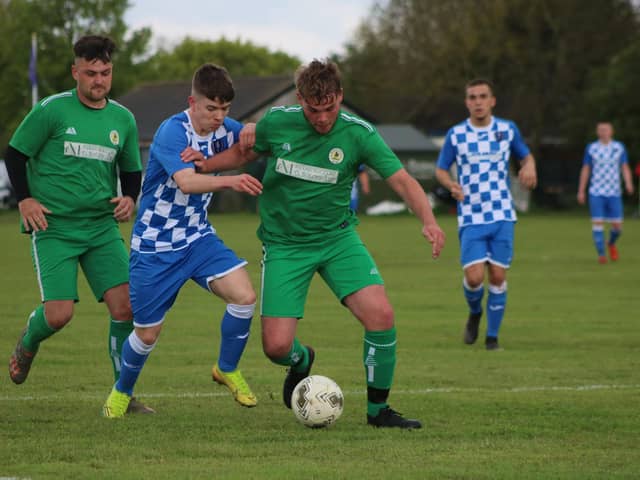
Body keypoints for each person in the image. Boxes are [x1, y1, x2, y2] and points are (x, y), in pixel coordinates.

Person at [191, 59, 445, 429]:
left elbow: (403, 180)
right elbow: (245, 153)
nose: (323, 118)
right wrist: (203, 167)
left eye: (330, 109)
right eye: (314, 110)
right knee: (276, 347)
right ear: (300, 100)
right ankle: (301, 360)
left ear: (340, 97)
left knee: (381, 315)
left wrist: (429, 221)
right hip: (285, 245)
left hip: (337, 239)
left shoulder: (359, 134)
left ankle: (379, 412)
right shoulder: (279, 122)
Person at [102, 64, 263, 418]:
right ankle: (122, 392)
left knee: (245, 297)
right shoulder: (172, 132)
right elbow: (187, 183)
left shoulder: (225, 128)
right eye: (211, 109)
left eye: (225, 110)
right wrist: (231, 180)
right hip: (156, 246)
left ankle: (227, 368)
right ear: (193, 102)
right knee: (146, 335)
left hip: (197, 238)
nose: (219, 117)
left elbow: (256, 140)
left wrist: (251, 128)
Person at [5, 35, 153, 413]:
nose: (98, 80)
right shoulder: (52, 111)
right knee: (59, 315)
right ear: (76, 72)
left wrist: (129, 199)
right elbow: (15, 154)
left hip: (101, 228)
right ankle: (28, 342)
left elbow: (131, 170)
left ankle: (124, 394)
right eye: (90, 73)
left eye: (104, 72)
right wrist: (25, 199)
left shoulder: (123, 118)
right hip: (54, 227)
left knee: (127, 311)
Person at [435, 79, 537, 351]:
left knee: (498, 278)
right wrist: (450, 185)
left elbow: (526, 156)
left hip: (502, 213)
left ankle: (492, 338)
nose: (478, 101)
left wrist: (530, 167)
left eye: (483, 96)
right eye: (472, 97)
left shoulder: (507, 129)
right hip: (471, 216)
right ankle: (475, 313)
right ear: (467, 102)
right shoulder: (456, 134)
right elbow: (441, 169)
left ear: (492, 100)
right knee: (474, 278)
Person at [577, 122, 634, 263]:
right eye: (600, 130)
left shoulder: (619, 147)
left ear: (611, 131)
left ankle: (611, 243)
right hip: (596, 191)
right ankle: (601, 255)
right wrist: (581, 190)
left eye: (606, 129)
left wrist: (628, 183)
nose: (603, 132)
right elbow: (586, 169)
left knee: (617, 227)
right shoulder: (592, 148)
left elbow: (624, 167)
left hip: (614, 192)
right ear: (597, 132)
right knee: (598, 223)